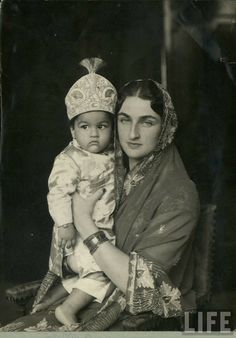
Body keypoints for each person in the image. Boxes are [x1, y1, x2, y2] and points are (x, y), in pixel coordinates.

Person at [0, 79, 200, 332]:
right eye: (124, 119)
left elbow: (141, 286)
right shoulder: (113, 172)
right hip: (87, 294)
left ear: (166, 128)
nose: (132, 133)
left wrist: (84, 221)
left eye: (147, 122)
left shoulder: (179, 193)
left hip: (134, 317)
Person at [31, 57, 117, 325]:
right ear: (72, 130)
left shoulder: (114, 154)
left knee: (103, 269)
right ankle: (67, 309)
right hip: (78, 234)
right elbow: (57, 192)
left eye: (101, 126)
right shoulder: (70, 159)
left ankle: (53, 299)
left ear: (112, 128)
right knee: (102, 272)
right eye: (85, 127)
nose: (94, 134)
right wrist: (66, 224)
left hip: (102, 230)